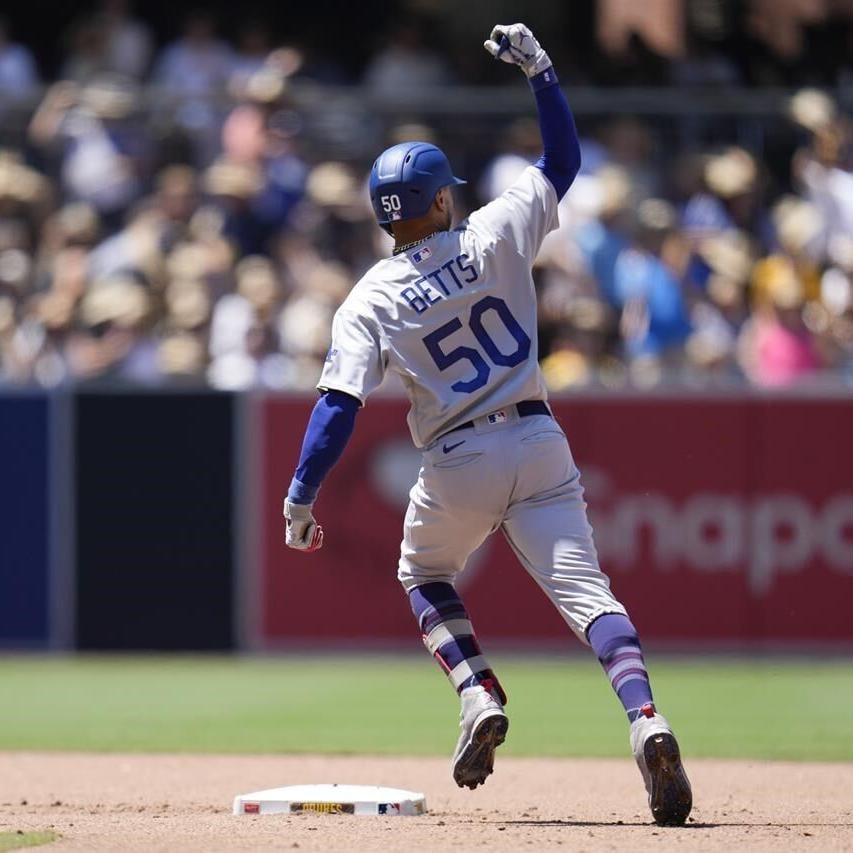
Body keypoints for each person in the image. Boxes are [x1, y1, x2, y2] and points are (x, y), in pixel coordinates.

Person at [282, 23, 692, 826]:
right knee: (588, 594)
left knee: (424, 574)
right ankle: (647, 717)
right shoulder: (494, 228)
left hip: (456, 454)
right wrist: (539, 70)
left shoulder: (368, 294)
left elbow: (338, 406)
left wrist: (301, 495)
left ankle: (476, 692)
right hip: (537, 438)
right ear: (441, 198)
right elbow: (564, 164)